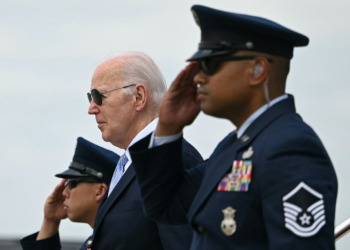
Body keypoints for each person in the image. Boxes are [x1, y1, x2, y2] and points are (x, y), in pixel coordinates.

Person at [128, 5, 338, 250]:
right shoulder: (235, 147)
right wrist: (168, 128)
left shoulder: (291, 148)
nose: (197, 78)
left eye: (210, 64)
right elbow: (164, 207)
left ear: (258, 70)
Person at [87, 51, 203, 249]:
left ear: (138, 97)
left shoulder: (174, 159)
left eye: (99, 96)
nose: (91, 108)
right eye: (91, 97)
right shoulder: (128, 164)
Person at [20, 137, 119, 250]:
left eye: (72, 183)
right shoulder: (98, 241)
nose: (63, 193)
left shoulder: (118, 242)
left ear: (99, 191)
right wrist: (50, 220)